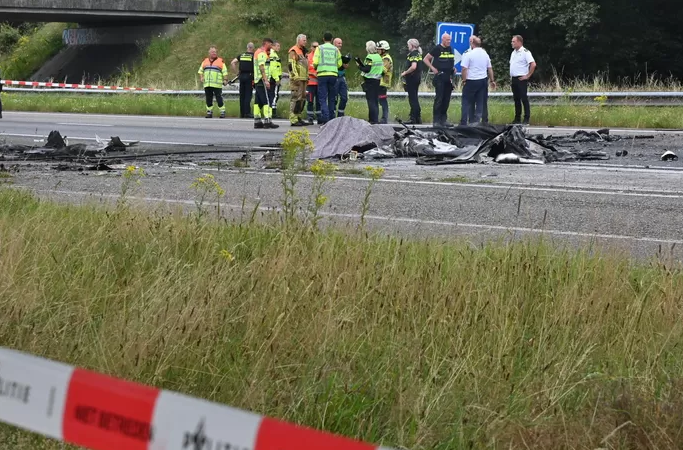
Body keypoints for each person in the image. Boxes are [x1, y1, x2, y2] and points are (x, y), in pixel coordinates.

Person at [460, 36, 495, 125]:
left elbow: (464, 68)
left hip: (471, 80)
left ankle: (464, 122)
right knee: (480, 102)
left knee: (466, 101)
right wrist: (492, 80)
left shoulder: (469, 54)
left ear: (472, 43)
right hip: (482, 81)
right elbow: (490, 68)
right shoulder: (485, 53)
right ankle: (477, 121)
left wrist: (464, 80)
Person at [423, 33, 455, 126]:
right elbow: (425, 59)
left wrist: (453, 68)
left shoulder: (450, 49)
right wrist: (432, 68)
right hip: (440, 76)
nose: (449, 41)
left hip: (448, 77)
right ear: (443, 40)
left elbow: (450, 61)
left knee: (446, 99)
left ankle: (443, 120)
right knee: (439, 99)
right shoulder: (437, 48)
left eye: (450, 40)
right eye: (447, 40)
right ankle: (436, 120)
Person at [313, 32, 341, 125]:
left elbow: (315, 62)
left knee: (322, 97)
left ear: (323, 39)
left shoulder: (319, 48)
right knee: (332, 97)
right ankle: (332, 118)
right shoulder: (336, 49)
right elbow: (340, 64)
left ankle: (325, 117)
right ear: (332, 39)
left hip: (322, 75)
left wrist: (316, 67)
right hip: (333, 75)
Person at [509, 35, 536, 124]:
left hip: (521, 78)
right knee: (516, 99)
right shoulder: (513, 52)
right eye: (512, 41)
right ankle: (517, 118)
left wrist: (527, 75)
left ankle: (526, 118)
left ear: (519, 42)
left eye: (514, 41)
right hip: (514, 78)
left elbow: (533, 64)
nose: (512, 43)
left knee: (523, 98)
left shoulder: (525, 52)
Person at [253, 38, 279, 129]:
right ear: (266, 43)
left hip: (258, 80)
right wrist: (266, 80)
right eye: (270, 45)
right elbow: (262, 67)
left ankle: (257, 121)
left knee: (258, 101)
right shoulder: (262, 53)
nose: (271, 47)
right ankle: (267, 121)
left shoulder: (257, 52)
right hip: (262, 80)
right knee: (266, 100)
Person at [355, 40, 383, 124]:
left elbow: (367, 69)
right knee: (375, 100)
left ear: (368, 48)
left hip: (370, 81)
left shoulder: (369, 57)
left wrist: (359, 66)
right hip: (377, 80)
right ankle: (375, 119)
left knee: (370, 101)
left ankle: (372, 120)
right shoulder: (378, 56)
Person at [198, 46, 228, 118]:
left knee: (219, 98)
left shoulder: (220, 61)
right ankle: (209, 112)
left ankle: (222, 112)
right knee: (208, 98)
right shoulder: (205, 61)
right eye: (213, 52)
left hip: (217, 85)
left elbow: (225, 72)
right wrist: (201, 77)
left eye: (215, 52)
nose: (214, 53)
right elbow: (200, 71)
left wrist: (225, 80)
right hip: (207, 84)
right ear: (209, 53)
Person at [288, 34, 309, 127]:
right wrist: (295, 77)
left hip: (303, 78)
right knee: (296, 98)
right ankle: (293, 118)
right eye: (304, 40)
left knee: (302, 99)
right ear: (299, 40)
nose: (305, 42)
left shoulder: (303, 51)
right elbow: (291, 65)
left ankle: (298, 116)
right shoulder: (294, 51)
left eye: (306, 40)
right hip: (297, 79)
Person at [400, 39, 422, 124]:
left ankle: (413, 118)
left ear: (412, 45)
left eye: (408, 45)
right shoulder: (418, 54)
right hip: (417, 78)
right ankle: (418, 117)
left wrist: (405, 72)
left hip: (412, 79)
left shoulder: (413, 54)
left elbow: (413, 67)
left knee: (412, 98)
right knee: (415, 97)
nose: (407, 46)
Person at [231, 43, 255, 118]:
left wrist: (237, 73)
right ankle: (247, 113)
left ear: (247, 47)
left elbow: (233, 62)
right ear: (253, 48)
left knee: (242, 95)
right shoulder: (253, 56)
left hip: (241, 76)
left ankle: (242, 113)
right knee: (248, 95)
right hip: (249, 76)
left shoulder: (242, 55)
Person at [377, 40, 393, 124]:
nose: (377, 50)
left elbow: (382, 70)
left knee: (383, 100)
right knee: (380, 100)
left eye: (379, 49)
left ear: (384, 49)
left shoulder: (386, 58)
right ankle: (383, 117)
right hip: (380, 82)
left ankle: (384, 118)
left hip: (383, 82)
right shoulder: (382, 57)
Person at [333, 37, 350, 117]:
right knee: (334, 98)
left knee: (344, 97)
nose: (340, 45)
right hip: (335, 77)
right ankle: (332, 115)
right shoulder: (332, 53)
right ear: (334, 44)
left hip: (342, 77)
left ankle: (340, 114)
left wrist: (345, 65)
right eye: (338, 43)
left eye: (341, 43)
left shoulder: (339, 53)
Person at [306, 41, 321, 124]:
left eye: (317, 46)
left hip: (319, 84)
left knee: (319, 101)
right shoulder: (308, 57)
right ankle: (310, 117)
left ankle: (320, 117)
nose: (316, 48)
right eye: (314, 46)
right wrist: (313, 74)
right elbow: (305, 70)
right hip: (310, 84)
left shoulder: (320, 56)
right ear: (311, 47)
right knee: (310, 101)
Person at [269, 41, 282, 118]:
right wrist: (277, 78)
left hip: (274, 76)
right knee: (275, 94)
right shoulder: (273, 55)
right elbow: (273, 68)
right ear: (273, 46)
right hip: (274, 77)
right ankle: (273, 112)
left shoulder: (273, 54)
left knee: (272, 94)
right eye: (277, 46)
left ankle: (271, 110)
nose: (279, 48)